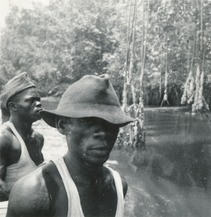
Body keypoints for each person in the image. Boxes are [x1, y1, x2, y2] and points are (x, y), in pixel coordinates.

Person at [7, 74, 135, 217]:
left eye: (111, 123)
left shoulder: (118, 186)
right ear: (62, 126)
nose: (102, 133)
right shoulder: (34, 192)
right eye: (89, 122)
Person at [0, 72, 44, 216]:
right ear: (13, 107)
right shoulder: (4, 138)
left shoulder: (38, 138)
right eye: (31, 100)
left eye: (38, 100)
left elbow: (41, 177)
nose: (38, 104)